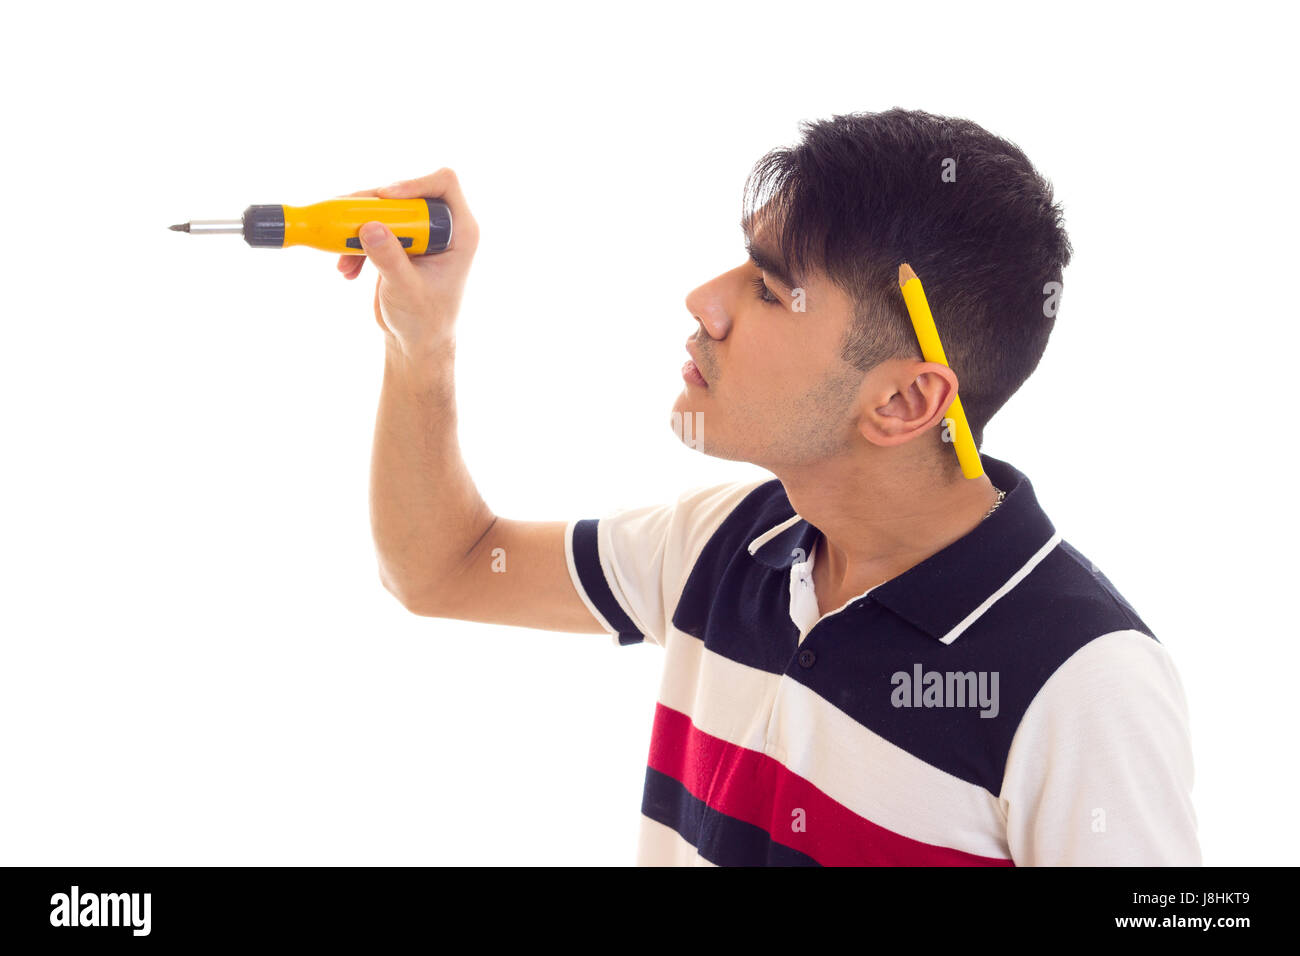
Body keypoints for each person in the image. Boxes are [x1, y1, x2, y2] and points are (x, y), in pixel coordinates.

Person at [343, 108, 1200, 866]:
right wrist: (423, 344)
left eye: (766, 287)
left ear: (904, 400)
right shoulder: (730, 542)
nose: (704, 301)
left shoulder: (1086, 683)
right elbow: (444, 566)